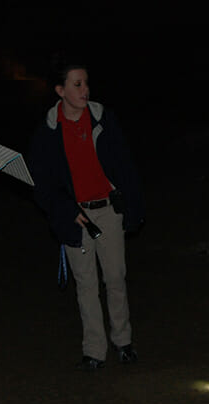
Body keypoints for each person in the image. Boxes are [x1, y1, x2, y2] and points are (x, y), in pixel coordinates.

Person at [29, 60, 145, 369]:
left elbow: (125, 165)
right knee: (86, 285)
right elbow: (42, 184)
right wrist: (64, 210)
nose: (85, 90)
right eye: (77, 84)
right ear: (60, 90)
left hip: (108, 211)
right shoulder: (48, 132)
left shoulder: (103, 119)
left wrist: (133, 208)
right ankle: (94, 351)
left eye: (86, 83)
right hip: (75, 218)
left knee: (115, 277)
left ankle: (123, 341)